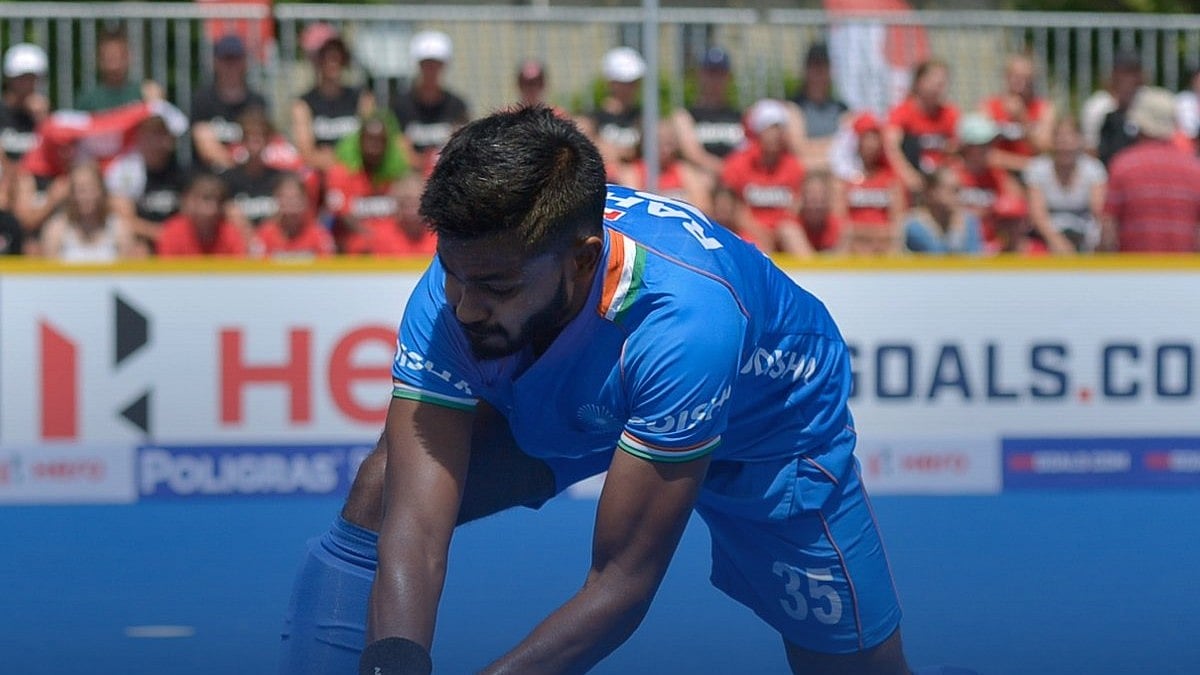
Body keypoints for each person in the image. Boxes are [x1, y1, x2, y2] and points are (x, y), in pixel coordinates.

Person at [278, 104, 910, 675]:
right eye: (452, 275)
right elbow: (413, 527)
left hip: (768, 430)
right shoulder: (463, 285)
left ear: (582, 261)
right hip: (588, 378)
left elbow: (620, 583)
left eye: (495, 288)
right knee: (381, 490)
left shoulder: (687, 323)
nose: (465, 308)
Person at [1101, 87, 1200, 252]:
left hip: (1134, 271)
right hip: (1184, 272)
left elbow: (1108, 232)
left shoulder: (1123, 165)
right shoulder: (1194, 167)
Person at [720, 99, 811, 256]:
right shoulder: (737, 164)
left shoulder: (793, 166)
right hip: (749, 231)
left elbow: (796, 205)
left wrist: (777, 231)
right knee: (755, 244)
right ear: (758, 131)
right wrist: (760, 231)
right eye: (770, 129)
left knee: (791, 232)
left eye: (779, 130)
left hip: (783, 230)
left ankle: (812, 278)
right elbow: (733, 208)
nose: (775, 135)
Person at [325, 111, 410, 253]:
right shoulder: (341, 173)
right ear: (359, 141)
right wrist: (374, 238)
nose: (374, 146)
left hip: (394, 250)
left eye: (380, 141)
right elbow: (341, 214)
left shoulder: (397, 175)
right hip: (355, 249)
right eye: (369, 139)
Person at [106, 109, 192, 246]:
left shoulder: (182, 173)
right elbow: (125, 220)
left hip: (177, 244)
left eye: (162, 133)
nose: (157, 140)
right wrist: (162, 234)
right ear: (139, 137)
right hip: (142, 244)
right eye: (152, 134)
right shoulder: (126, 171)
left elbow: (192, 215)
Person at [389, 30, 470, 175]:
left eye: (436, 64)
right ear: (418, 65)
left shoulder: (457, 105)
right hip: (411, 174)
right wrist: (423, 164)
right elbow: (399, 146)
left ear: (444, 66)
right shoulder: (401, 104)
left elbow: (461, 146)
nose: (431, 70)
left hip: (447, 173)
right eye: (426, 64)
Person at [292, 34, 375, 172]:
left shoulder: (362, 98)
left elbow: (373, 146)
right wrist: (342, 161)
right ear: (318, 61)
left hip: (356, 172)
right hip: (323, 174)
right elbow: (307, 154)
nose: (333, 62)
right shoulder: (303, 104)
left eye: (338, 57)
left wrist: (334, 157)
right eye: (327, 57)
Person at [1023, 117, 1106, 253]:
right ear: (1053, 142)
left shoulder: (1094, 169)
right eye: (1061, 139)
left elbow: (1099, 210)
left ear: (1080, 141)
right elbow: (1037, 214)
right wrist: (1057, 241)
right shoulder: (1037, 168)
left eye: (1071, 139)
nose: (1065, 145)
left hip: (1085, 236)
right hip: (1047, 235)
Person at [190, 35, 269, 172]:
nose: (231, 66)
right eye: (226, 59)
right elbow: (206, 148)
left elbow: (261, 142)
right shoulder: (202, 100)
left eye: (236, 59)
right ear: (215, 62)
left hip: (249, 175)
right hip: (211, 176)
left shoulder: (257, 101)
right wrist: (235, 167)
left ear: (244, 62)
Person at [40, 162, 141, 262]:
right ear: (71, 194)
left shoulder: (120, 229)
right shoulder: (56, 229)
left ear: (101, 191)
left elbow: (126, 274)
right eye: (80, 189)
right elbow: (50, 275)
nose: (86, 196)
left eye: (91, 188)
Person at [885, 59, 959, 194]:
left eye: (943, 83)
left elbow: (955, 150)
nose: (939, 88)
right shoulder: (903, 112)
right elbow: (891, 147)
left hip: (939, 179)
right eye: (935, 82)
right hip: (911, 175)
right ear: (919, 82)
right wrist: (908, 175)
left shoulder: (949, 113)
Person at [834, 113, 904, 256]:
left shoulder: (891, 180)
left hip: (884, 245)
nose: (870, 144)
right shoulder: (844, 180)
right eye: (865, 138)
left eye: (874, 139)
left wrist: (875, 236)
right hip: (853, 246)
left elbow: (897, 222)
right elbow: (839, 221)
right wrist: (866, 235)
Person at [672, 46, 746, 176]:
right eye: (710, 72)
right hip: (704, 176)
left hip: (737, 179)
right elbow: (693, 154)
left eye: (720, 73)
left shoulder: (739, 116)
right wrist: (726, 171)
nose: (715, 80)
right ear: (699, 75)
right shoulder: (686, 116)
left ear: (729, 77)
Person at [951, 113, 1022, 247]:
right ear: (967, 146)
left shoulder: (999, 175)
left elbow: (1017, 206)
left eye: (991, 143)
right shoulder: (952, 175)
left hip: (995, 247)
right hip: (962, 248)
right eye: (983, 144)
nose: (989, 148)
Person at [618, 117, 713, 215]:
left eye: (669, 144)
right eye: (660, 143)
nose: (666, 150)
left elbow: (703, 206)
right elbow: (631, 209)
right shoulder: (632, 172)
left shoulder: (684, 170)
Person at [980, 53, 1055, 174]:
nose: (1020, 81)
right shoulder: (988, 107)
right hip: (998, 173)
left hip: (1033, 174)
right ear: (1006, 77)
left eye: (1026, 77)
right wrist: (1023, 164)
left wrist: (1022, 119)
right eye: (1015, 76)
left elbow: (1043, 148)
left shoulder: (1044, 108)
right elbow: (983, 151)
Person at [579, 46, 646, 173]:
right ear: (611, 82)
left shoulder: (641, 117)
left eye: (634, 82)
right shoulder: (593, 118)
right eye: (625, 82)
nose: (631, 87)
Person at [221, 107, 287, 233]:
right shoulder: (227, 179)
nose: (254, 141)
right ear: (242, 141)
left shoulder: (279, 178)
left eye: (260, 136)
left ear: (268, 141)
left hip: (270, 243)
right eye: (249, 137)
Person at [787, 43, 849, 170]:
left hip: (835, 174)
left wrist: (813, 148)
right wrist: (833, 145)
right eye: (814, 68)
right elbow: (798, 149)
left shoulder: (841, 108)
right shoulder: (794, 106)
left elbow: (847, 148)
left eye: (822, 69)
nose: (818, 75)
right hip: (805, 175)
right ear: (806, 71)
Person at [156, 172, 248, 256]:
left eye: (217, 201)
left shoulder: (230, 233)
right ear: (190, 201)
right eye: (206, 199)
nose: (212, 208)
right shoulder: (172, 233)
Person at [74, 28, 164, 113]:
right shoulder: (88, 99)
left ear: (128, 57)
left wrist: (156, 103)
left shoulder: (145, 93)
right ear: (99, 60)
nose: (114, 65)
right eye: (109, 58)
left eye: (118, 57)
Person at [904, 165, 984, 254]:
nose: (957, 196)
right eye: (952, 190)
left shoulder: (969, 221)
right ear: (931, 192)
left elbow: (975, 258)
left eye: (959, 190)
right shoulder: (912, 225)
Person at [255, 173, 335, 259]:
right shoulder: (265, 235)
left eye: (295, 197)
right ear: (277, 199)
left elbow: (328, 266)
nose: (291, 203)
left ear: (304, 200)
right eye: (286, 198)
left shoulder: (319, 236)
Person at [0, 43, 50, 165]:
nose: (26, 84)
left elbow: (52, 155)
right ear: (9, 78)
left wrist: (43, 120)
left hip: (36, 176)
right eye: (21, 78)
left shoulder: (41, 112)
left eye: (31, 78)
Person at [1095, 50, 1144, 167]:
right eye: (1123, 72)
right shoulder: (1097, 105)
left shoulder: (1148, 101)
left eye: (1133, 72)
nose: (1129, 78)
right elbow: (1091, 149)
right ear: (1113, 74)